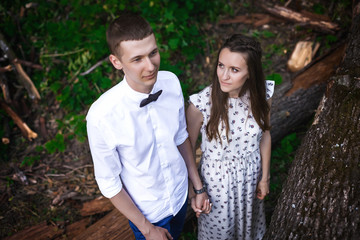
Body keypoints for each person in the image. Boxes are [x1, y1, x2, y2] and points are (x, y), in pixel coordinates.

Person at [86, 14, 210, 240]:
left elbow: (181, 138)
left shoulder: (170, 82)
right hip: (149, 213)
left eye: (153, 53)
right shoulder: (101, 116)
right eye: (137, 59)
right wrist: (148, 229)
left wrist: (197, 187)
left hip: (181, 195)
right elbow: (109, 183)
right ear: (116, 62)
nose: (151, 66)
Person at [186, 34, 274, 240]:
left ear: (250, 73)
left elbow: (265, 134)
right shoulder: (201, 104)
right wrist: (194, 191)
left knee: (249, 231)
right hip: (218, 185)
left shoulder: (262, 96)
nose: (224, 75)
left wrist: (265, 178)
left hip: (251, 177)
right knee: (220, 234)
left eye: (234, 70)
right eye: (221, 65)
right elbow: (187, 150)